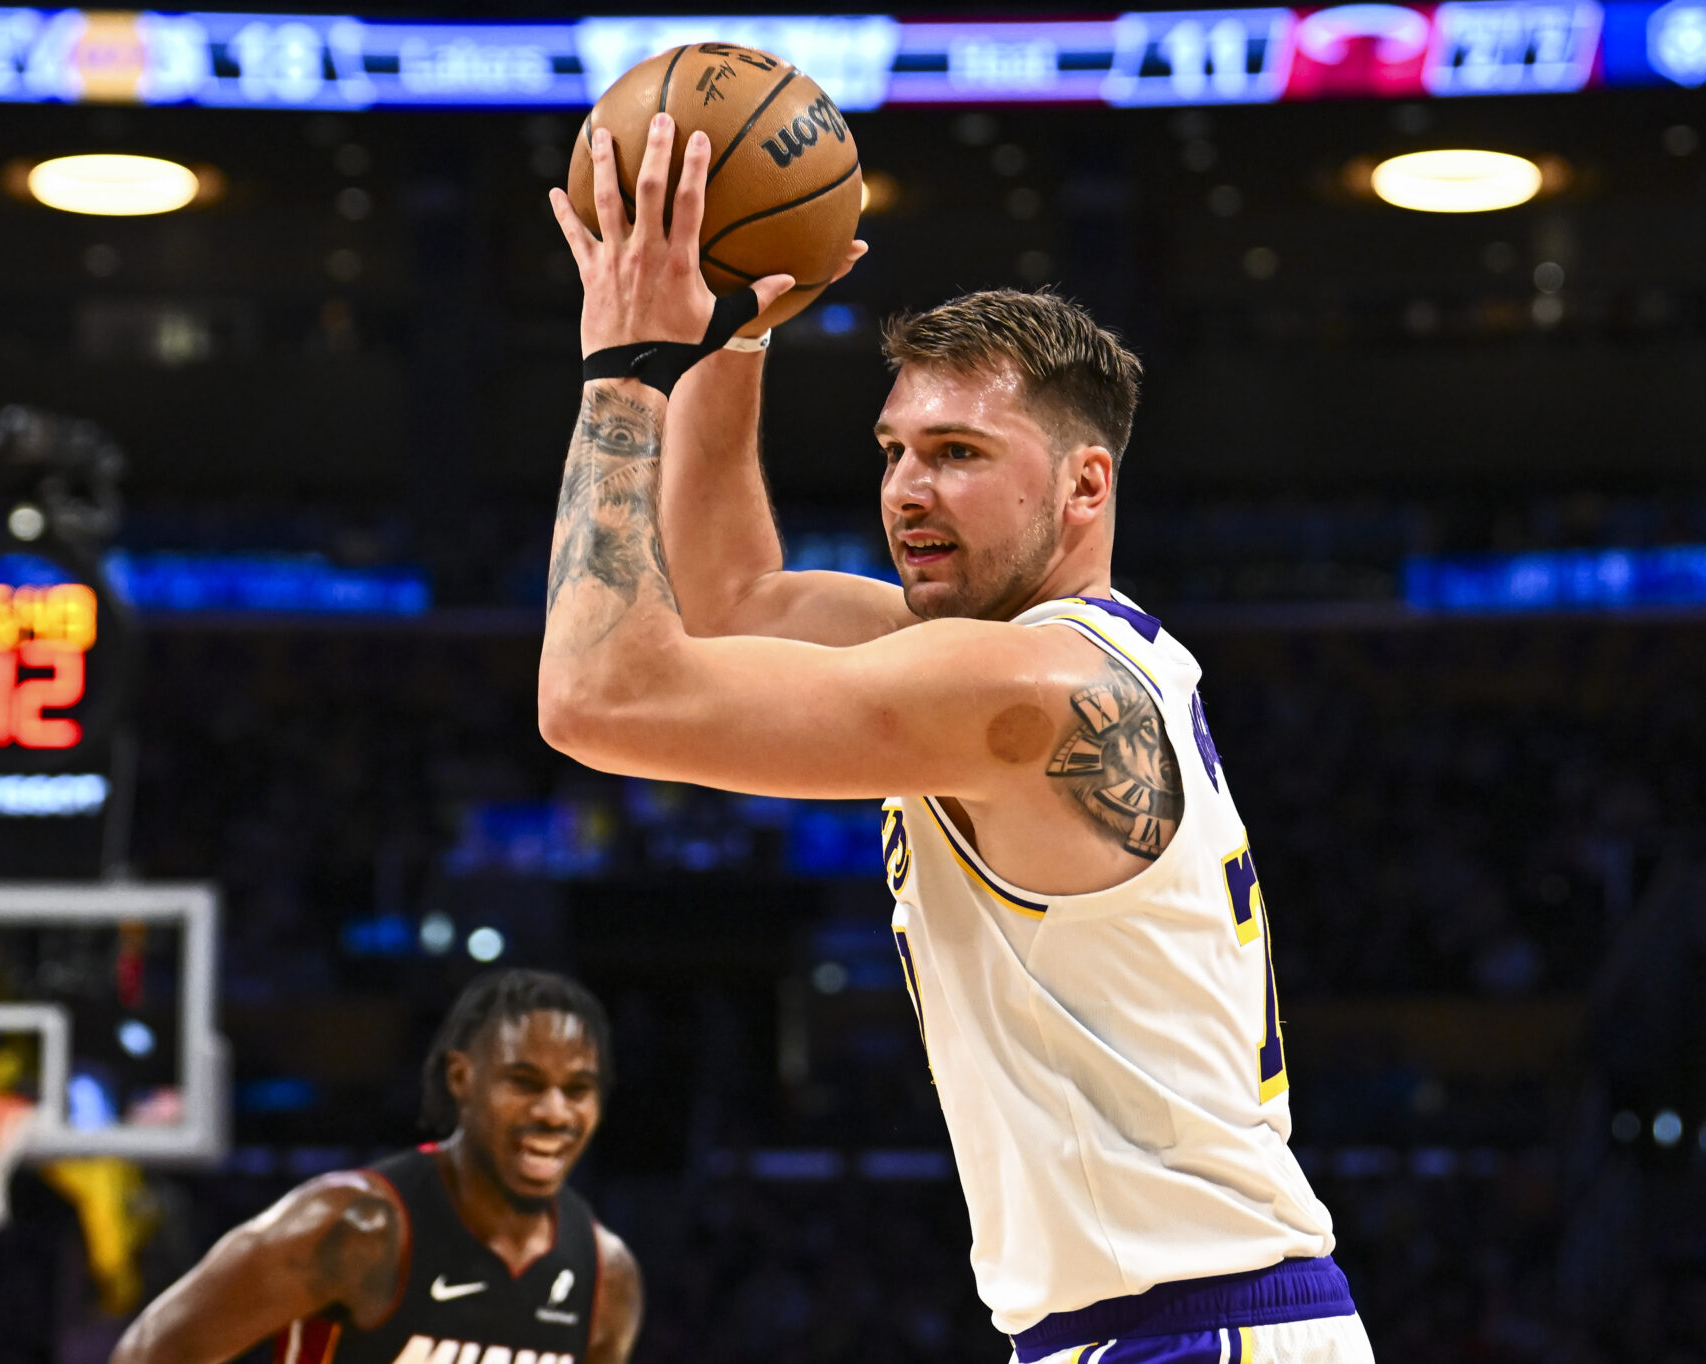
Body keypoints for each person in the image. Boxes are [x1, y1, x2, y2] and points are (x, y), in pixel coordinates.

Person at [540, 116, 1373, 1362]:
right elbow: (726, 606)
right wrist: (737, 332)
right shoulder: (1034, 659)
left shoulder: (1026, 691)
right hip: (1161, 1327)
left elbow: (596, 696)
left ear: (1085, 485)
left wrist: (624, 368)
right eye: (892, 452)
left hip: (1196, 1331)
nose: (905, 490)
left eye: (957, 454)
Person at [111, 969, 642, 1364]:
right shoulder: (354, 1226)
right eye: (524, 1083)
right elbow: (149, 1355)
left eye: (578, 1090)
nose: (554, 1113)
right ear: (461, 1079)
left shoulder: (606, 1276)